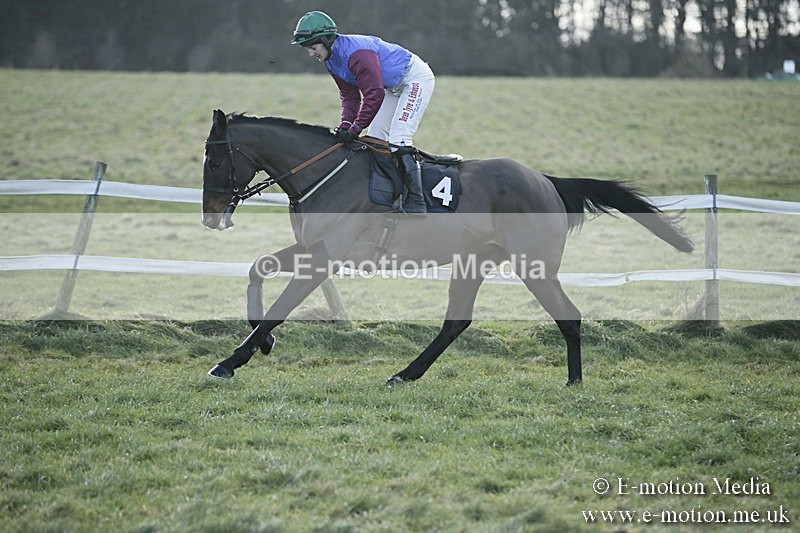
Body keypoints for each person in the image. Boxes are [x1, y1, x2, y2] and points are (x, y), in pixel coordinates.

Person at [291, 10, 434, 216]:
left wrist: (356, 128)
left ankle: (416, 201)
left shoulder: (357, 54)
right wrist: (345, 126)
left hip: (414, 78)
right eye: (308, 49)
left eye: (313, 47)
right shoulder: (330, 59)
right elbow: (349, 96)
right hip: (391, 86)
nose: (311, 54)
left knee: (399, 139)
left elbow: (373, 94)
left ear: (327, 40)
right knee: (375, 140)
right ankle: (391, 195)